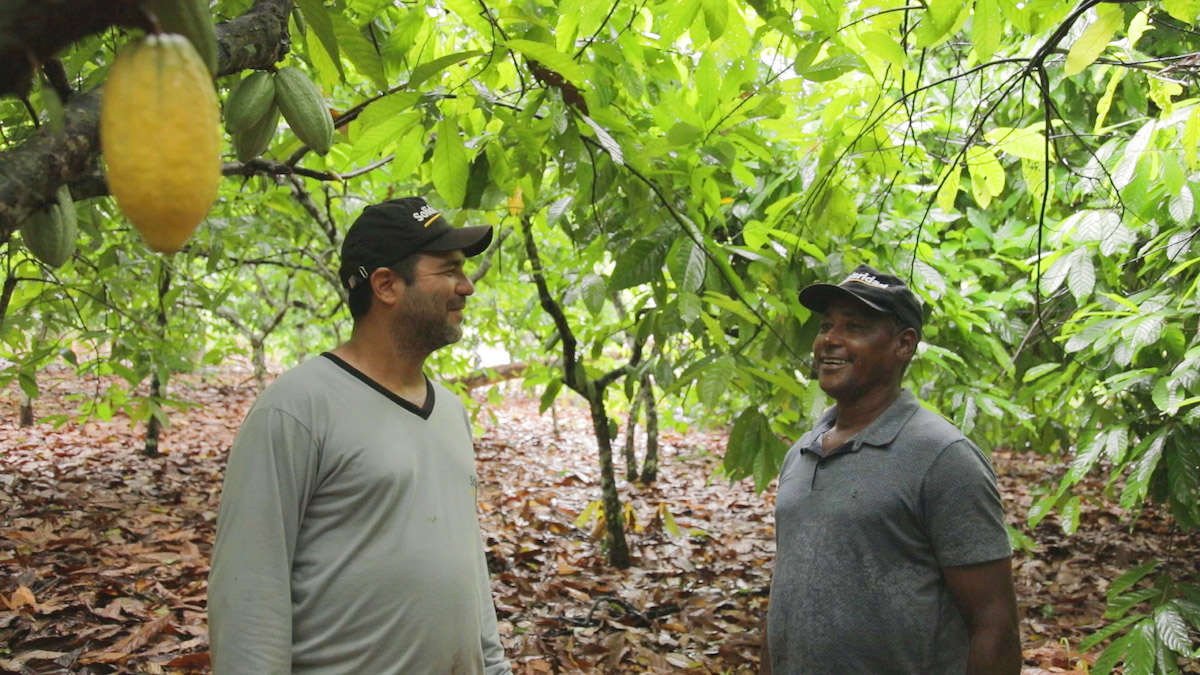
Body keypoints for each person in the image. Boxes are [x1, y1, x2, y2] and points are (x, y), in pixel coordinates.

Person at [208, 196, 512, 675]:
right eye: (449, 270)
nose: (467, 287)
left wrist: (493, 665)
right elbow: (249, 588)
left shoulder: (451, 411)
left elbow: (468, 563)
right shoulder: (296, 408)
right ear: (387, 285)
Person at [762, 264, 1021, 674]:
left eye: (854, 326)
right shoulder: (801, 453)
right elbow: (787, 602)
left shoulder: (943, 457)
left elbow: (995, 624)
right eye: (826, 324)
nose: (830, 339)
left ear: (903, 345)